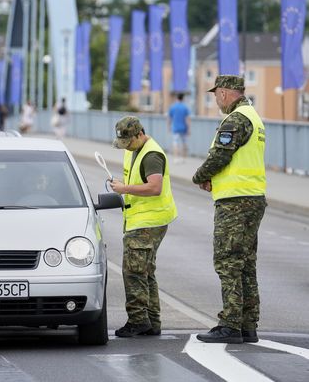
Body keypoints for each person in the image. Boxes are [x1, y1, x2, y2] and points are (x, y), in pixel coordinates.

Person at [192, 75, 267, 344]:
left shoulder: (236, 119)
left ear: (225, 93)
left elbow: (221, 155)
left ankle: (230, 324)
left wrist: (200, 175)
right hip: (252, 198)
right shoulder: (254, 117)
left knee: (228, 262)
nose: (215, 100)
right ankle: (248, 324)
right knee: (246, 263)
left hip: (236, 202)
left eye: (215, 95)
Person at [109, 116, 177, 338]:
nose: (126, 147)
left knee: (133, 272)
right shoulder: (136, 150)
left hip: (149, 220)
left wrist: (124, 188)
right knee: (145, 272)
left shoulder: (152, 155)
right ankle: (152, 321)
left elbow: (155, 187)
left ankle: (138, 321)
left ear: (139, 134)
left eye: (129, 142)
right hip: (143, 219)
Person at [167, 93, 191, 163]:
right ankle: (184, 158)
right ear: (183, 98)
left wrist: (168, 127)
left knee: (175, 143)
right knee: (184, 143)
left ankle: (176, 158)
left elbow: (169, 118)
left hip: (175, 128)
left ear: (177, 98)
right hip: (183, 128)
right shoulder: (185, 107)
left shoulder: (173, 107)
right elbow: (187, 119)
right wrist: (189, 129)